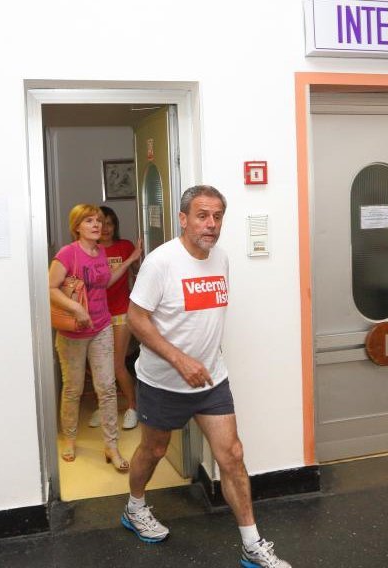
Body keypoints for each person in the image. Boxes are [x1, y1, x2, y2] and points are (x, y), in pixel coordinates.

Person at [121, 186, 291, 568]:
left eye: (217, 216)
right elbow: (135, 318)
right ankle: (134, 507)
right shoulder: (161, 263)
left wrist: (205, 359)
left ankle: (251, 544)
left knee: (232, 455)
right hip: (162, 382)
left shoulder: (221, 259)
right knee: (154, 450)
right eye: (202, 215)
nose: (211, 224)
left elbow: (203, 317)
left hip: (211, 380)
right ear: (183, 219)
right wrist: (179, 359)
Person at [49, 204, 141, 472]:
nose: (97, 225)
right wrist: (77, 309)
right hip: (72, 333)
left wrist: (130, 259)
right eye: (89, 221)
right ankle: (69, 439)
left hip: (101, 327)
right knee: (73, 388)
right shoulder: (67, 254)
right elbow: (51, 288)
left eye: (98, 221)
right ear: (77, 226)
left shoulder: (100, 251)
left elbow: (105, 281)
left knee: (107, 388)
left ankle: (111, 446)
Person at [87, 206, 141, 430]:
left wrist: (136, 259)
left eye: (110, 223)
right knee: (100, 367)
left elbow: (138, 272)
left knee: (117, 365)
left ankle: (132, 407)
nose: (106, 228)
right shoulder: (91, 250)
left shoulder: (124, 246)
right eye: (101, 223)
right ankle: (105, 407)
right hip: (97, 314)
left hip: (120, 312)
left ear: (115, 225)